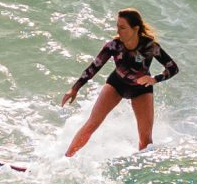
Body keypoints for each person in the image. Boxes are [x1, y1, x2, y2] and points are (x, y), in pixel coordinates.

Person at [60, 8, 180, 154]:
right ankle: (67, 158)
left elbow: (173, 68)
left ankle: (142, 164)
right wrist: (75, 88)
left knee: (146, 139)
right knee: (92, 124)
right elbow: (94, 67)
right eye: (117, 27)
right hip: (116, 85)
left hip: (141, 89)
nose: (118, 31)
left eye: (122, 28)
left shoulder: (150, 46)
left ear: (135, 29)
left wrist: (155, 79)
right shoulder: (114, 45)